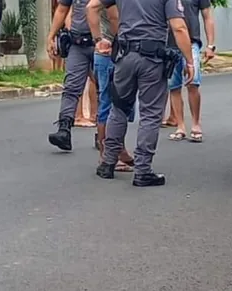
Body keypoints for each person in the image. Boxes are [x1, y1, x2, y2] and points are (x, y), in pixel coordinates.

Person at [87, 0, 195, 187]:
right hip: (151, 59)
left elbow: (91, 7)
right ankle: (143, 170)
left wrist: (98, 39)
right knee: (151, 114)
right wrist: (190, 61)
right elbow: (179, 27)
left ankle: (108, 162)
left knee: (118, 108)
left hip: (125, 56)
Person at [46, 0, 118, 152]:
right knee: (71, 87)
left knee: (104, 88)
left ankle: (103, 135)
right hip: (77, 43)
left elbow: (114, 15)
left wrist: (116, 40)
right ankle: (64, 129)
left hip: (101, 44)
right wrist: (51, 36)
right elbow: (62, 9)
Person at [92, 3, 137, 172]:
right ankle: (105, 154)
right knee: (108, 103)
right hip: (109, 52)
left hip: (122, 53)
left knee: (123, 104)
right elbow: (91, 8)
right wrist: (99, 39)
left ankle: (120, 149)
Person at [165, 0, 216, 143]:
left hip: (191, 42)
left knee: (193, 83)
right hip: (168, 43)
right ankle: (180, 126)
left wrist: (210, 45)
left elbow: (208, 16)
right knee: (173, 86)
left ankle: (196, 124)